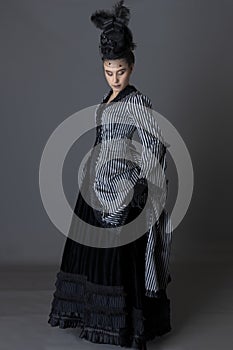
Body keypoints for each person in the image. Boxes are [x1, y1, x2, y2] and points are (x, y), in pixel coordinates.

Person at [48, 1, 173, 349]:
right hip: (95, 186)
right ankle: (94, 318)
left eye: (119, 70)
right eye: (108, 70)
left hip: (120, 189)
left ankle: (124, 327)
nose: (114, 77)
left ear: (131, 66)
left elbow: (154, 147)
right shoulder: (107, 98)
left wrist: (134, 184)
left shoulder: (137, 103)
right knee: (93, 257)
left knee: (119, 260)